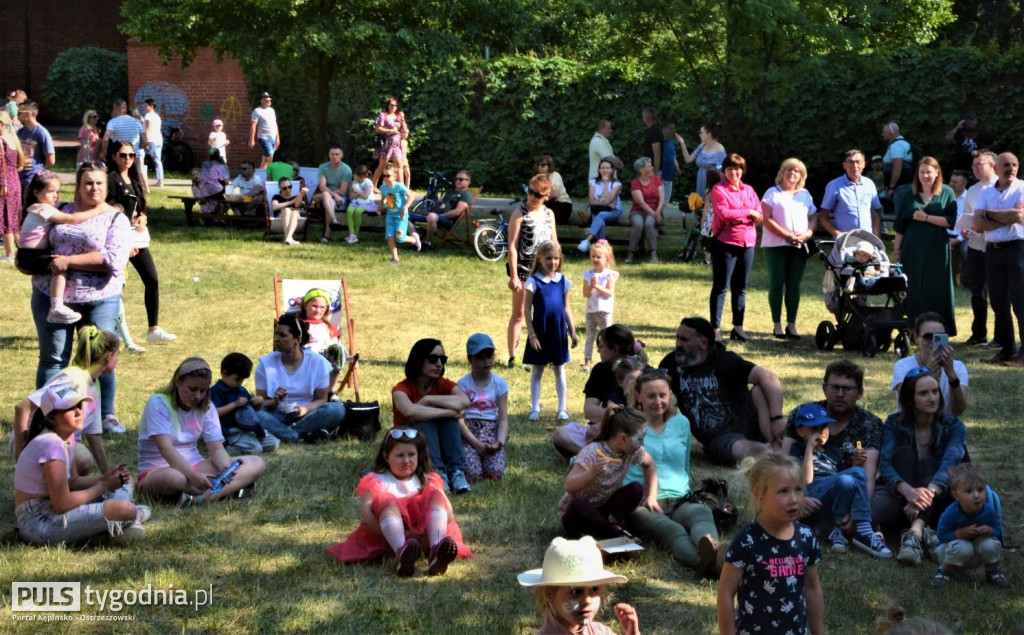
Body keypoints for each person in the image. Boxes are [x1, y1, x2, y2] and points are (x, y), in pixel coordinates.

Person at [30, 165, 131, 433]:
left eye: (99, 183)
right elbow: (32, 242)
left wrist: (67, 262)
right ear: (78, 185)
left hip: (99, 297)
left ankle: (106, 416)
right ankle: (48, 416)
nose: (94, 188)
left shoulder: (115, 219)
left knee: (100, 360)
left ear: (107, 187)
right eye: (88, 183)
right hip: (51, 296)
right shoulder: (58, 209)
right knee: (53, 359)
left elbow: (113, 260)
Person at [14, 384, 148, 545]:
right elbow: (61, 504)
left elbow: (73, 482)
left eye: (79, 406)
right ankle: (130, 519)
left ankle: (119, 522)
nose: (79, 412)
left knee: (126, 482)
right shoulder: (51, 444)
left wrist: (105, 478)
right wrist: (104, 486)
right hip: (39, 522)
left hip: (53, 509)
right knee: (125, 510)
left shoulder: (66, 438)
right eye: (70, 409)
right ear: (50, 417)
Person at [325, 429, 471, 576]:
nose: (406, 460)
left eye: (411, 455)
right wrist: (406, 535)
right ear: (386, 456)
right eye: (400, 456)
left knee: (433, 495)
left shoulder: (428, 479)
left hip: (426, 536)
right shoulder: (377, 480)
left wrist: (423, 535)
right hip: (387, 538)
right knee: (386, 501)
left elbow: (449, 514)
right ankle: (402, 553)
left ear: (419, 455)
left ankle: (436, 550)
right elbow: (366, 517)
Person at [625, 372, 721, 577]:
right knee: (673, 531)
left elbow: (685, 464)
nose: (658, 401)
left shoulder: (681, 423)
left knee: (702, 515)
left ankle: (711, 550)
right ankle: (709, 566)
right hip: (642, 503)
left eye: (663, 395)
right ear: (638, 396)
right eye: (651, 396)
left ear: (670, 395)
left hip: (680, 499)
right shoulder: (628, 426)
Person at [717, 452, 825, 635]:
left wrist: (819, 632)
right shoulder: (747, 541)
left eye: (798, 489)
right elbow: (725, 594)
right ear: (759, 496)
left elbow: (812, 589)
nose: (793, 499)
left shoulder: (806, 537)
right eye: (783, 491)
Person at [137, 357, 265, 507]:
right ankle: (228, 490)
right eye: (192, 389)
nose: (197, 396)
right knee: (176, 478)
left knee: (257, 462)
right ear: (178, 381)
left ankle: (198, 498)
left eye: (203, 391)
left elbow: (216, 448)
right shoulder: (158, 402)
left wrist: (226, 471)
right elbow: (166, 448)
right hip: (159, 469)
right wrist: (194, 476)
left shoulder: (207, 407)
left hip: (196, 464)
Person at [871, 369, 966, 567]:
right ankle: (922, 532)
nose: (932, 398)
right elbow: (886, 463)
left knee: (930, 464)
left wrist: (925, 495)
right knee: (904, 455)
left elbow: (952, 461)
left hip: (941, 494)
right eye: (923, 393)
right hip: (903, 492)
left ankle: (915, 530)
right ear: (909, 399)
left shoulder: (953, 424)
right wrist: (907, 491)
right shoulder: (894, 424)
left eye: (935, 391)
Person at [658, 316, 786, 464]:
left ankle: (778, 447)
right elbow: (653, 391)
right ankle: (776, 459)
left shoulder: (724, 360)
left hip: (746, 420)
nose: (678, 344)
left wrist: (777, 419)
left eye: (684, 339)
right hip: (718, 437)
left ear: (703, 343)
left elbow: (769, 377)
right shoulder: (671, 364)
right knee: (739, 449)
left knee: (760, 390)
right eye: (677, 338)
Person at [789, 403, 893, 558]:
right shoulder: (797, 450)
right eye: (814, 428)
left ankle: (837, 531)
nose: (820, 432)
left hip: (831, 499)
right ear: (800, 431)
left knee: (848, 480)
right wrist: (809, 449)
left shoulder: (833, 452)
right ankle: (864, 529)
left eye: (824, 426)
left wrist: (854, 465)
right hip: (811, 495)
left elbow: (844, 481)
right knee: (857, 473)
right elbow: (806, 481)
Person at [13, 326, 121, 474]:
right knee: (84, 460)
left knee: (81, 460)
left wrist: (107, 474)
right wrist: (21, 454)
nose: (118, 359)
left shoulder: (94, 383)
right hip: (39, 439)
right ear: (108, 356)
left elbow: (93, 434)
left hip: (64, 441)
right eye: (117, 355)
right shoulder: (72, 379)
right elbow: (23, 407)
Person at [781, 359, 884, 503]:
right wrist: (800, 501)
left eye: (847, 389)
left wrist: (855, 515)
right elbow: (783, 466)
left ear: (860, 393)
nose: (840, 394)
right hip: (802, 493)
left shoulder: (869, 423)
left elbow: (868, 475)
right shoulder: (803, 414)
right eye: (834, 387)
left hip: (846, 495)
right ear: (824, 388)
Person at [18, 172, 115, 324]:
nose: (55, 196)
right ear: (37, 193)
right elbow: (72, 219)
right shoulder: (43, 209)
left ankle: (56, 306)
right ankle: (56, 307)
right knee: (60, 266)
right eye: (50, 192)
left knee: (59, 263)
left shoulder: (42, 207)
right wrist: (97, 211)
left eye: (57, 191)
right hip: (30, 255)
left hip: (31, 253)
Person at [106, 139, 177, 345]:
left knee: (152, 279)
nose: (127, 159)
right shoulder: (110, 180)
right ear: (114, 157)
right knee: (116, 286)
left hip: (136, 237)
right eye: (123, 155)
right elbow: (111, 212)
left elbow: (141, 208)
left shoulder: (135, 180)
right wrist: (124, 241)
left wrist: (143, 217)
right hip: (118, 239)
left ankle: (153, 329)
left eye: (131, 155)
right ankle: (112, 330)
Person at [557, 406, 657, 539]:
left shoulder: (632, 452)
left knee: (636, 489)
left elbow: (650, 465)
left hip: (604, 507)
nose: (642, 443)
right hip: (580, 513)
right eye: (639, 439)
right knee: (578, 505)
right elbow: (569, 486)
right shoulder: (592, 452)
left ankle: (608, 525)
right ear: (622, 438)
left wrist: (651, 496)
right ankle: (614, 532)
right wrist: (591, 473)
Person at [392, 338, 472, 494]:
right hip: (407, 443)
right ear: (419, 359)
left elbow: (464, 401)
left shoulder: (442, 384)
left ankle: (456, 473)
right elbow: (410, 411)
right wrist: (448, 412)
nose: (439, 364)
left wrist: (429, 399)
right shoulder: (401, 388)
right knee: (426, 420)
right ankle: (437, 474)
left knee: (446, 420)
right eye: (433, 359)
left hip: (438, 443)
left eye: (442, 360)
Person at [552, 324, 645, 457]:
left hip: (632, 432)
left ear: (615, 350)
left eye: (601, 346)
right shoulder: (601, 370)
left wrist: (606, 421)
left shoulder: (640, 372)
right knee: (561, 435)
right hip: (602, 432)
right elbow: (589, 410)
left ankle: (597, 456)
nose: (598, 351)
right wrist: (606, 423)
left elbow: (642, 414)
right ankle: (600, 456)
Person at [517, 536, 640, 635]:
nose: (587, 600)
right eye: (576, 592)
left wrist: (633, 633)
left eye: (594, 589)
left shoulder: (600, 632)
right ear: (549, 593)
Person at [253, 315, 347, 444]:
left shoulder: (317, 363)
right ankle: (298, 436)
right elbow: (261, 402)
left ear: (298, 339)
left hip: (308, 415)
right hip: (276, 415)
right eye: (275, 334)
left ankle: (286, 434)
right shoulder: (265, 364)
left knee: (336, 410)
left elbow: (322, 398)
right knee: (254, 413)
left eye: (282, 335)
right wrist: (274, 402)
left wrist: (305, 410)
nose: (276, 339)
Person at [894, 157, 958, 336]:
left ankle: (938, 331)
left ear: (937, 172)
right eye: (921, 172)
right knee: (912, 287)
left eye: (929, 172)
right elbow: (900, 226)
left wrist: (927, 218)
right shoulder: (910, 194)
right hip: (912, 249)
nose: (925, 176)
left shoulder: (947, 193)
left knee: (936, 288)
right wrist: (897, 252)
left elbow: (951, 222)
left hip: (937, 249)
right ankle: (911, 330)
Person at [973, 152, 1024, 366]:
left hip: (1017, 249)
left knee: (1021, 302)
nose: (1011, 168)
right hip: (993, 251)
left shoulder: (1022, 188)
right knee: (999, 302)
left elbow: (1020, 217)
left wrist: (989, 214)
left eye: (1014, 165)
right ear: (996, 168)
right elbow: (977, 225)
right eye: (1006, 165)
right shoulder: (986, 191)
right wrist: (1006, 216)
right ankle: (1006, 350)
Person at [761, 158, 817, 340]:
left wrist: (807, 233)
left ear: (801, 175)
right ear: (782, 172)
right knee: (777, 284)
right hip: (776, 245)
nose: (792, 173)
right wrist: (786, 235)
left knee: (794, 285)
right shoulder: (772, 193)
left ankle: (791, 325)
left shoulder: (805, 194)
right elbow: (766, 218)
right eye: (788, 170)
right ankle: (777, 325)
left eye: (796, 171)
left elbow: (813, 216)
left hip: (799, 245)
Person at [930, 463, 1009, 589]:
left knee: (991, 543)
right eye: (969, 491)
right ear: (956, 495)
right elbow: (941, 535)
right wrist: (960, 534)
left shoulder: (989, 511)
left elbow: (998, 532)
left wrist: (990, 531)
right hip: (952, 551)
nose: (977, 495)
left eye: (980, 490)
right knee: (963, 546)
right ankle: (944, 571)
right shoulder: (951, 513)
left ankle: (992, 571)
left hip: (976, 552)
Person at [507, 173, 558, 367]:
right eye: (530, 192)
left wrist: (557, 272)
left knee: (546, 313)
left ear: (546, 196)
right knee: (519, 313)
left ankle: (545, 354)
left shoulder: (549, 214)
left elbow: (554, 243)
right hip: (523, 271)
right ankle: (514, 356)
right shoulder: (519, 213)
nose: (532, 197)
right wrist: (513, 275)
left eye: (537, 195)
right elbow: (512, 246)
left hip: (545, 272)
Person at [709, 153, 761, 341]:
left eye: (737, 168)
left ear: (742, 170)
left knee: (741, 287)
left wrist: (747, 215)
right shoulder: (718, 190)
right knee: (721, 287)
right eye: (730, 169)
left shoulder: (749, 190)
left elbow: (760, 212)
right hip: (726, 242)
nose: (734, 172)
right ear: (724, 171)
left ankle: (738, 328)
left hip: (748, 242)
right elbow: (724, 214)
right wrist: (748, 213)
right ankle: (715, 329)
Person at [525, 241, 578, 421]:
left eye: (556, 258)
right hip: (540, 332)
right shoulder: (534, 282)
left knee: (559, 369)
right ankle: (535, 408)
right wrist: (532, 334)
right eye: (548, 258)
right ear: (539, 259)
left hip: (557, 332)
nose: (553, 262)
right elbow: (526, 310)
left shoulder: (563, 281)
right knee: (537, 370)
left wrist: (572, 331)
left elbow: (566, 308)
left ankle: (562, 408)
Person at [956, 151, 997, 347]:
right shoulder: (972, 190)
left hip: (996, 246)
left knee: (999, 293)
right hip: (975, 246)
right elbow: (968, 216)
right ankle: (979, 333)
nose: (975, 168)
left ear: (992, 165)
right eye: (973, 166)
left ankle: (1001, 336)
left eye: (979, 164)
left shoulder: (1002, 187)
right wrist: (965, 230)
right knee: (977, 292)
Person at [892, 313, 968, 417]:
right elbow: (910, 405)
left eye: (939, 337)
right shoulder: (902, 366)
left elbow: (958, 411)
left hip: (945, 428)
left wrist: (952, 375)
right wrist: (928, 372)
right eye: (928, 337)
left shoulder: (958, 368)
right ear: (916, 337)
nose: (933, 342)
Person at [457, 333, 509, 481]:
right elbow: (459, 419)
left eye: (489, 356)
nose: (486, 361)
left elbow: (503, 419)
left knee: (496, 473)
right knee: (472, 474)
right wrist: (476, 443)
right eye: (480, 357)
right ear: (470, 359)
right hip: (469, 435)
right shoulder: (463, 384)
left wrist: (499, 442)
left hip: (491, 433)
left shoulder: (500, 384)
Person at [210, 352, 280, 455]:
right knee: (255, 449)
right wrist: (234, 404)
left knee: (273, 443)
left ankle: (249, 442)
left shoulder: (241, 390)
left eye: (242, 380)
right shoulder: (216, 391)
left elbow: (253, 409)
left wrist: (259, 402)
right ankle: (227, 447)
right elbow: (213, 414)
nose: (240, 383)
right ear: (224, 374)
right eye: (237, 379)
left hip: (249, 428)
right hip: (231, 431)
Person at [820, 149, 883, 237]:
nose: (855, 166)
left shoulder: (869, 184)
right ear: (844, 165)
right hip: (845, 241)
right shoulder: (834, 185)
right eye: (850, 162)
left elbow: (875, 214)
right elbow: (823, 217)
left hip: (867, 241)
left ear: (864, 164)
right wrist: (839, 235)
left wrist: (876, 238)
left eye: (858, 162)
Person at [298, 288, 349, 396]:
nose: (318, 310)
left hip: (328, 359)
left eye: (322, 307)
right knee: (311, 351)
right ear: (305, 306)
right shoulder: (299, 324)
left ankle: (329, 392)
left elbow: (336, 343)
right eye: (314, 306)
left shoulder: (329, 327)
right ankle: (312, 391)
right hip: (307, 359)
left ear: (326, 309)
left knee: (337, 349)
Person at [581, 240, 618, 372]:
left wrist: (597, 286)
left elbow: (609, 292)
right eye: (593, 256)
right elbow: (585, 293)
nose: (595, 259)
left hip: (605, 311)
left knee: (608, 336)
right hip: (591, 311)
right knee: (590, 336)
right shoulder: (588, 275)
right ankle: (587, 360)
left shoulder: (609, 275)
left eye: (599, 257)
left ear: (607, 259)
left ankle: (610, 359)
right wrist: (591, 286)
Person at [414, 170, 474, 248]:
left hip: (448, 221)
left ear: (468, 182)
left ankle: (427, 243)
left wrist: (439, 216)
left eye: (461, 179)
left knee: (432, 216)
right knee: (406, 215)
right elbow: (440, 206)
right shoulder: (450, 192)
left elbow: (457, 212)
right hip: (437, 216)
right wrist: (428, 212)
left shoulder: (466, 195)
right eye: (456, 179)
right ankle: (415, 240)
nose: (458, 181)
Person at [577, 158, 623, 253]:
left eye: (607, 168)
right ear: (599, 170)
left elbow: (608, 199)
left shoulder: (616, 184)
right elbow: (592, 201)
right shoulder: (593, 182)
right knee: (600, 222)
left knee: (601, 215)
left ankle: (587, 240)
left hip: (614, 212)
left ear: (612, 170)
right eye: (602, 168)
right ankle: (602, 249)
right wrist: (607, 204)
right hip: (597, 210)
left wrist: (606, 185)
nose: (605, 170)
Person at [381, 165, 421, 263]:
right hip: (390, 216)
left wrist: (405, 207)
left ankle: (413, 240)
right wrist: (381, 205)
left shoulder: (399, 186)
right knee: (390, 237)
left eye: (388, 176)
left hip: (401, 216)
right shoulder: (383, 187)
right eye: (384, 176)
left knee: (399, 238)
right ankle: (395, 258)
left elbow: (411, 197)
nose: (385, 178)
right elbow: (383, 198)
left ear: (395, 176)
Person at [627, 157, 663, 264]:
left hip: (655, 210)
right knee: (638, 224)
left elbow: (662, 198)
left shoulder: (657, 180)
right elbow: (641, 203)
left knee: (648, 223)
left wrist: (657, 212)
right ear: (641, 170)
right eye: (648, 166)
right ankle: (631, 252)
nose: (651, 167)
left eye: (651, 165)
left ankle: (653, 252)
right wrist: (654, 214)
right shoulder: (635, 183)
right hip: (638, 211)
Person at [0, 108, 25, 264]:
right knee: (14, 219)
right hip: (15, 181)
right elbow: (20, 164)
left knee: (5, 218)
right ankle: (24, 250)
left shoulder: (1, 141)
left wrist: (3, 183)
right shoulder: (13, 138)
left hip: (4, 185)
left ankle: (10, 254)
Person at [679, 121, 726, 200]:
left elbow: (723, 168)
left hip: (712, 183)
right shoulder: (702, 146)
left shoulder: (719, 149)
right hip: (701, 180)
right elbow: (688, 159)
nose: (699, 135)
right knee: (699, 205)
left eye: (701, 132)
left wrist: (716, 170)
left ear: (709, 134)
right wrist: (682, 143)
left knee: (709, 206)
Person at [100, 100, 144, 182]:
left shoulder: (113, 122)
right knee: (135, 177)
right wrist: (137, 148)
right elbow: (145, 141)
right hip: (134, 154)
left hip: (120, 154)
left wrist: (104, 152)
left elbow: (105, 139)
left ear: (116, 108)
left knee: (119, 176)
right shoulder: (137, 122)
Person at [15, 101, 55, 191]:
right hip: (19, 178)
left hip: (33, 179)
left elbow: (51, 160)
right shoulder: (20, 132)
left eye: (20, 113)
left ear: (28, 114)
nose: (17, 115)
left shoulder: (42, 133)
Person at [315, 146, 352, 243]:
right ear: (329, 155)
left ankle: (327, 233)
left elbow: (342, 191)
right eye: (332, 154)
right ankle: (334, 220)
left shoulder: (346, 169)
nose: (334, 156)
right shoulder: (323, 167)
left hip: (342, 198)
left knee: (327, 198)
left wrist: (331, 194)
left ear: (341, 156)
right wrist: (334, 195)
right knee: (327, 197)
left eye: (337, 154)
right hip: (332, 196)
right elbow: (322, 187)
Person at [371, 97, 407, 187]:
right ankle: (373, 186)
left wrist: (402, 119)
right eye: (392, 105)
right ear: (388, 105)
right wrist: (390, 131)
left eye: (395, 105)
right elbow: (378, 128)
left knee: (400, 165)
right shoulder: (383, 115)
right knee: (382, 166)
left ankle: (401, 187)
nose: (394, 107)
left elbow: (404, 129)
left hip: (397, 144)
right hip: (387, 144)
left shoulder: (398, 116)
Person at [882, 122, 914, 213]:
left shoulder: (897, 146)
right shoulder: (904, 143)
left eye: (884, 132)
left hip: (901, 187)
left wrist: (891, 187)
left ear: (891, 133)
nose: (882, 134)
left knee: (901, 216)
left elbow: (897, 168)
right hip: (906, 186)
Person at [536, 155, 573, 225]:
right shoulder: (538, 178)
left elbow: (555, 194)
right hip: (550, 204)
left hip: (562, 205)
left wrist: (540, 196)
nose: (540, 167)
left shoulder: (555, 175)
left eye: (543, 165)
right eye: (539, 164)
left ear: (549, 166)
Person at [344, 165, 376, 244]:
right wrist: (361, 193)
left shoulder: (368, 182)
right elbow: (351, 197)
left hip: (368, 203)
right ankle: (352, 234)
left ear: (363, 176)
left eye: (357, 175)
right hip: (356, 201)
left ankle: (356, 234)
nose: (354, 176)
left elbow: (365, 197)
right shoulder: (354, 182)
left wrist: (357, 191)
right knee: (349, 211)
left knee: (358, 212)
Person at [270, 176, 306, 246]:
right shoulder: (277, 197)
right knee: (287, 210)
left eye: (289, 187)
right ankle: (289, 238)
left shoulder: (296, 197)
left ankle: (287, 238)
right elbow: (274, 207)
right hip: (280, 219)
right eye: (284, 188)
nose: (288, 190)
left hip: (295, 219)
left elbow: (297, 206)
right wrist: (290, 202)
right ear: (280, 188)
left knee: (295, 212)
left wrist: (301, 194)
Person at [248, 92, 279, 169]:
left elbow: (275, 124)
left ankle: (259, 175)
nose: (269, 102)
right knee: (271, 157)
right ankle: (270, 175)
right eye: (266, 100)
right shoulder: (257, 111)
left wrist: (278, 138)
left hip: (273, 138)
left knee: (266, 160)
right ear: (261, 101)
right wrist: (251, 139)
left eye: (270, 100)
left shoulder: (272, 110)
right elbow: (253, 126)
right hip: (264, 138)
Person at [142, 98, 163, 188]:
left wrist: (146, 140)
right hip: (159, 140)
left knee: (144, 160)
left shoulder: (148, 116)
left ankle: (144, 179)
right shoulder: (157, 116)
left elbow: (148, 128)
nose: (144, 107)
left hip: (151, 140)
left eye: (146, 105)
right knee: (157, 160)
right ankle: (160, 180)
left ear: (151, 106)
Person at [660, 123, 681, 205]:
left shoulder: (672, 142)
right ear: (664, 129)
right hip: (660, 173)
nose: (673, 131)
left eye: (673, 128)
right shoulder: (659, 142)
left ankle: (660, 214)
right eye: (671, 128)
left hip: (669, 174)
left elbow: (673, 156)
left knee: (666, 200)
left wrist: (677, 167)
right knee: (658, 199)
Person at [640, 107, 661, 173]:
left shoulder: (654, 131)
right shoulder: (652, 130)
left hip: (653, 170)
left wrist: (655, 173)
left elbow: (657, 154)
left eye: (643, 116)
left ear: (646, 117)